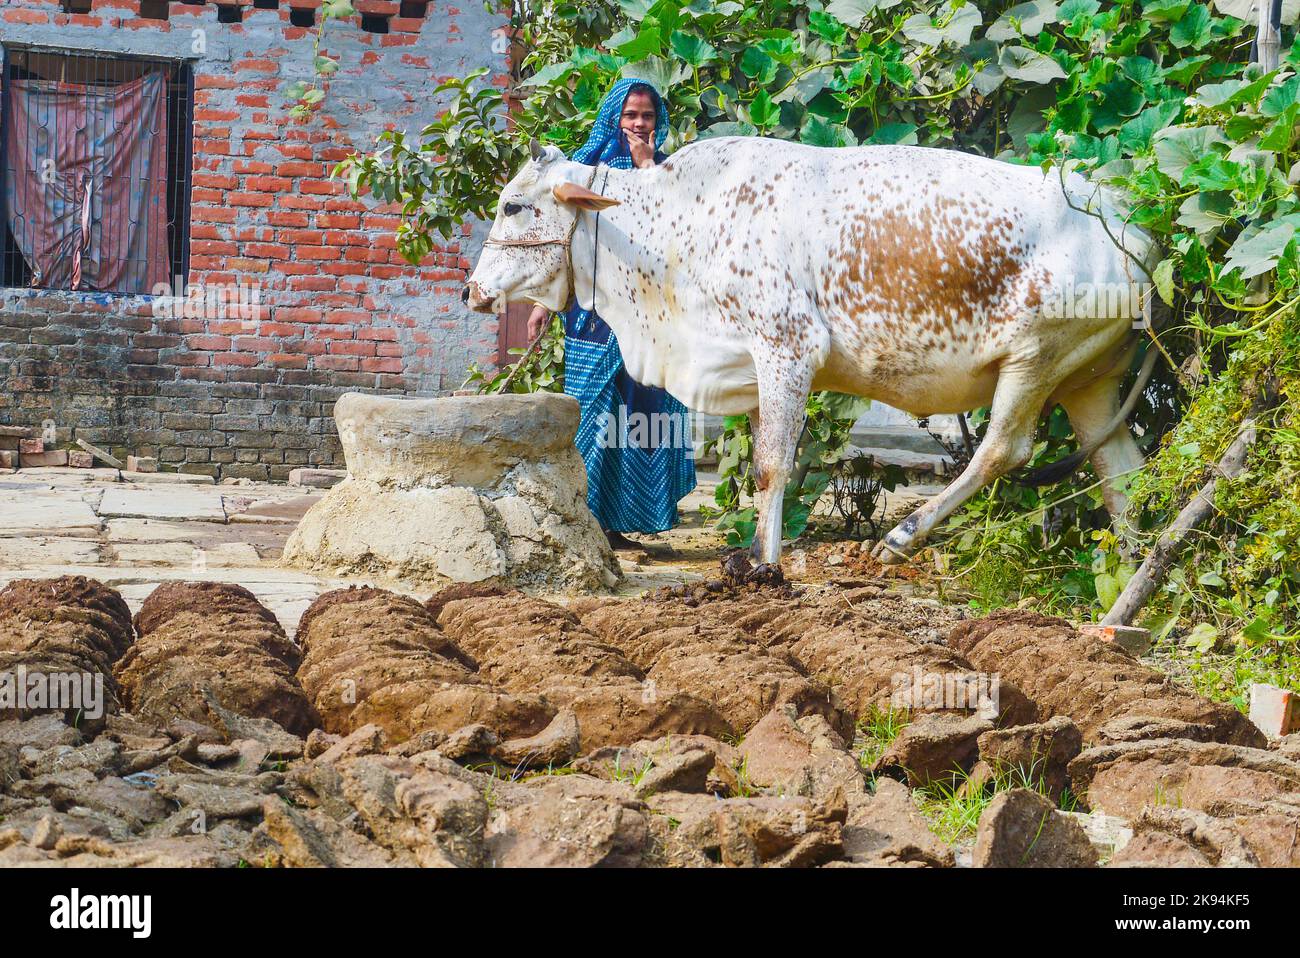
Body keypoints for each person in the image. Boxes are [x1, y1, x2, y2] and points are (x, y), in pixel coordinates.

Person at [524, 78, 696, 551]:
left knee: (641, 419)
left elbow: (676, 231)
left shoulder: (668, 173)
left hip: (650, 322)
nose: (639, 125)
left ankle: (617, 525)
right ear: (612, 118)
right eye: (630, 115)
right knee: (593, 416)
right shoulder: (585, 173)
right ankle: (582, 521)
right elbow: (562, 240)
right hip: (593, 321)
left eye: (648, 117)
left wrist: (647, 168)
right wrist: (544, 301)